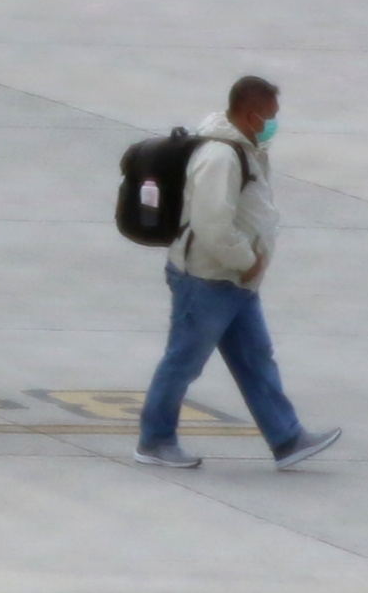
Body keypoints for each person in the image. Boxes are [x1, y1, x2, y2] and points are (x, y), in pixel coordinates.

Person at [138, 74, 338, 471]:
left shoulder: (243, 147)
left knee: (255, 357)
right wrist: (248, 261)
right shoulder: (221, 157)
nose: (275, 124)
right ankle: (154, 440)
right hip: (208, 278)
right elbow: (213, 223)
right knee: (184, 361)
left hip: (234, 281)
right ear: (251, 114)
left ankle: (287, 439)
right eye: (271, 116)